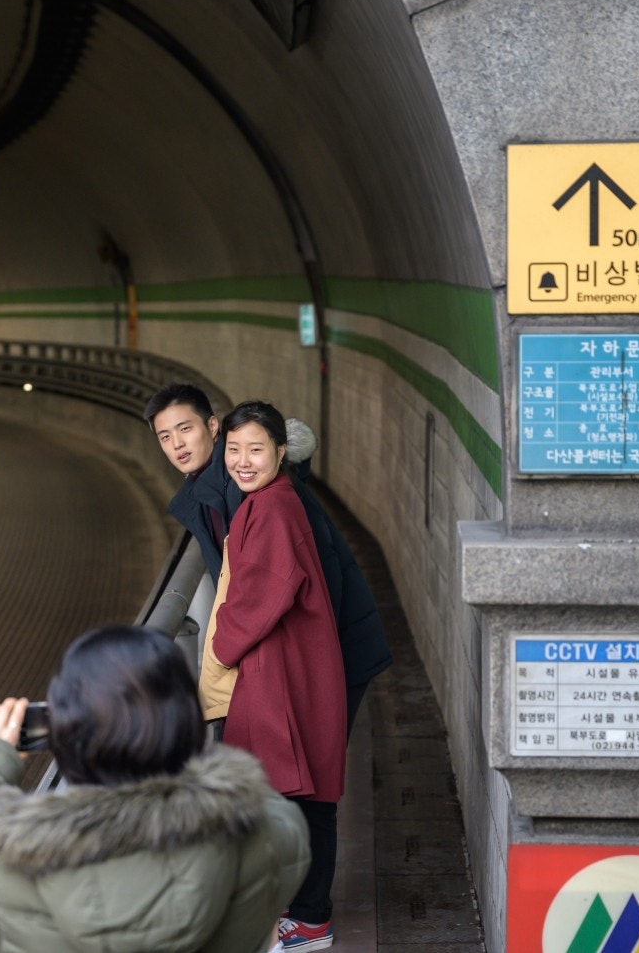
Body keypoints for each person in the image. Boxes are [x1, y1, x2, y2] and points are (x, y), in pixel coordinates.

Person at [0, 625, 310, 953]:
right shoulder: (271, 833)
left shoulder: (9, 873)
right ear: (185, 719)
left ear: (65, 731)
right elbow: (267, 811)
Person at [143, 382, 391, 735]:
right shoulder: (218, 487)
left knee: (297, 776)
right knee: (293, 774)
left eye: (186, 429)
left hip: (323, 651)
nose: (177, 444)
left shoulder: (244, 487)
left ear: (213, 427)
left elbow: (299, 576)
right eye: (165, 437)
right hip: (305, 654)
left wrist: (223, 652)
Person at [208, 400, 347, 951]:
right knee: (303, 790)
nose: (243, 461)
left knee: (304, 797)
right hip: (295, 668)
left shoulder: (271, 509)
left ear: (281, 452)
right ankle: (303, 913)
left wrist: (219, 648)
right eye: (234, 450)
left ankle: (310, 921)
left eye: (256, 450)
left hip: (287, 673)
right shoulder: (274, 500)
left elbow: (261, 594)